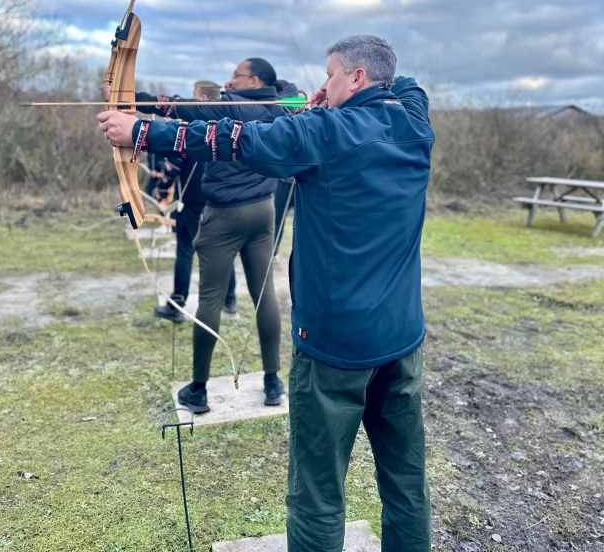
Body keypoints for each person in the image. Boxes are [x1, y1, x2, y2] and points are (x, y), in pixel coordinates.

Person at [98, 35, 433, 552]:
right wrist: (338, 93)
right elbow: (409, 85)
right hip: (403, 339)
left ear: (358, 78)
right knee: (406, 482)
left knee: (318, 492)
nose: (322, 86)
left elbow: (232, 140)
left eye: (331, 75)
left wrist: (142, 131)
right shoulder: (414, 120)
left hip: (334, 347)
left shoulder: (325, 131)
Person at [129, 58, 295, 412]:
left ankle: (199, 390)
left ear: (252, 81)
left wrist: (131, 99)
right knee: (264, 295)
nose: (230, 81)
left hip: (224, 216)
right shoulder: (281, 104)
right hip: (263, 211)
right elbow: (289, 91)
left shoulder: (233, 105)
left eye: (236, 75)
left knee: (210, 299)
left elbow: (183, 107)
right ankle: (272, 381)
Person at [144, 81, 237, 322]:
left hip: (195, 206)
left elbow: (174, 163)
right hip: (220, 206)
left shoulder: (193, 131)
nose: (190, 101)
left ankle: (178, 306)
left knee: (185, 253)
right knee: (222, 253)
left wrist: (161, 188)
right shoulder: (231, 129)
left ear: (203, 99)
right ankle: (230, 298)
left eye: (194, 97)